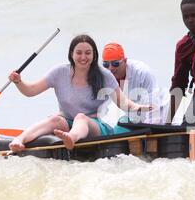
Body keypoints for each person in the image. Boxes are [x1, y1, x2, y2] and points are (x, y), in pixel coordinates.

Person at [8, 34, 151, 152]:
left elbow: (124, 103)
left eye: (88, 53)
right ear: (71, 54)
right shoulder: (59, 72)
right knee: (55, 119)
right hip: (66, 122)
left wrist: (139, 108)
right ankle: (19, 140)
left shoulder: (104, 75)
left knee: (81, 117)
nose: (83, 57)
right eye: (79, 53)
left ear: (94, 55)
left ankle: (70, 138)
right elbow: (31, 91)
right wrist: (18, 82)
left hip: (94, 125)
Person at [102, 42, 167, 124]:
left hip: (161, 116)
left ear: (125, 61)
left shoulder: (142, 72)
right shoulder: (105, 76)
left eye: (115, 63)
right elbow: (100, 107)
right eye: (106, 64)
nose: (110, 68)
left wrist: (149, 128)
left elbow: (153, 104)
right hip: (134, 119)